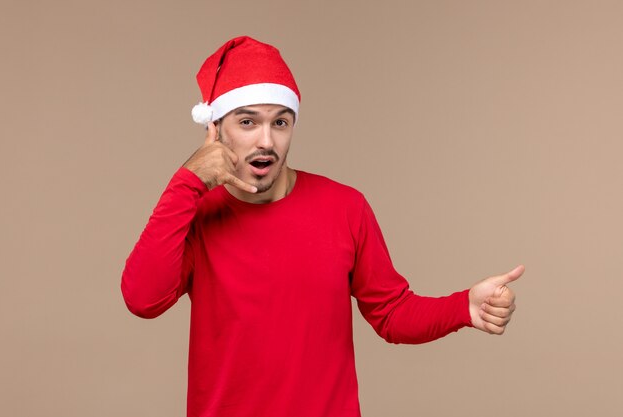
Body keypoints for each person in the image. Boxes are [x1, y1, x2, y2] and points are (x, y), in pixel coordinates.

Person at [121, 36, 523, 417]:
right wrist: (189, 180)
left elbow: (391, 312)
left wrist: (463, 307)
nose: (267, 141)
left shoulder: (345, 207)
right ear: (214, 130)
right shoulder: (198, 214)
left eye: (280, 123)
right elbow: (143, 299)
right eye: (247, 123)